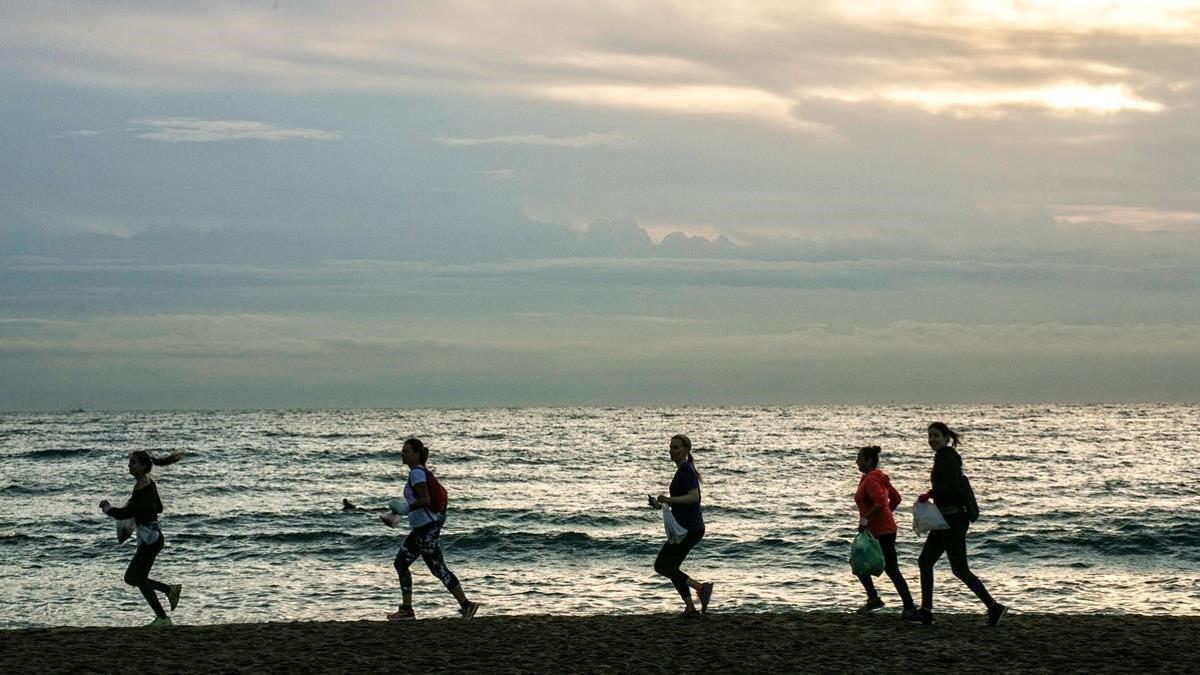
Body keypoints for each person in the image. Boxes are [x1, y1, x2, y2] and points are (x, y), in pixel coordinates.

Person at [908, 422, 1007, 626]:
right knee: (928, 561)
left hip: (952, 520)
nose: (932, 440)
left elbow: (951, 487)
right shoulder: (945, 457)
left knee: (955, 568)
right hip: (947, 520)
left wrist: (931, 494)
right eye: (929, 436)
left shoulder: (946, 457)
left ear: (946, 438)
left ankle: (994, 607)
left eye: (936, 436)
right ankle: (926, 610)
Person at [382, 437, 479, 621]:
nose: (402, 454)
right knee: (428, 568)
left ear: (417, 454)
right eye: (403, 451)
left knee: (431, 568)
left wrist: (407, 509)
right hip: (425, 529)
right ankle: (463, 605)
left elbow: (425, 499)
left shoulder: (416, 474)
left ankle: (465, 606)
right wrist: (439, 518)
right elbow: (443, 494)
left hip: (425, 530)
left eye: (406, 451)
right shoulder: (421, 472)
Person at [99, 450, 184, 628]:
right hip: (153, 538)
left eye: (133, 462)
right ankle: (169, 592)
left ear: (143, 466)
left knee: (133, 577)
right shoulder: (148, 483)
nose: (129, 465)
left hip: (151, 540)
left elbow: (126, 514)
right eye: (130, 462)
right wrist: (138, 510)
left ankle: (163, 617)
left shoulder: (141, 487)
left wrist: (108, 509)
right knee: (135, 578)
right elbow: (159, 508)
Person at [652, 434, 713, 616]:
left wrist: (669, 499)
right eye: (671, 447)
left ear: (686, 451)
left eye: (676, 447)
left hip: (689, 529)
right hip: (686, 529)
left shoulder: (685, 469)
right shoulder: (682, 470)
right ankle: (690, 607)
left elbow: (694, 497)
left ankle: (701, 589)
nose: (672, 451)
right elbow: (682, 500)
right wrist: (662, 504)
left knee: (664, 566)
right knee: (670, 567)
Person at [853, 445, 916, 617]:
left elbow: (881, 502)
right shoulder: (874, 477)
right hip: (880, 529)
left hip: (881, 531)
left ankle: (908, 607)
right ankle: (874, 598)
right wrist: (886, 514)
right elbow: (895, 499)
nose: (856, 461)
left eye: (859, 458)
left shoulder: (873, 479)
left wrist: (867, 518)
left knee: (874, 564)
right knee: (861, 562)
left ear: (868, 460)